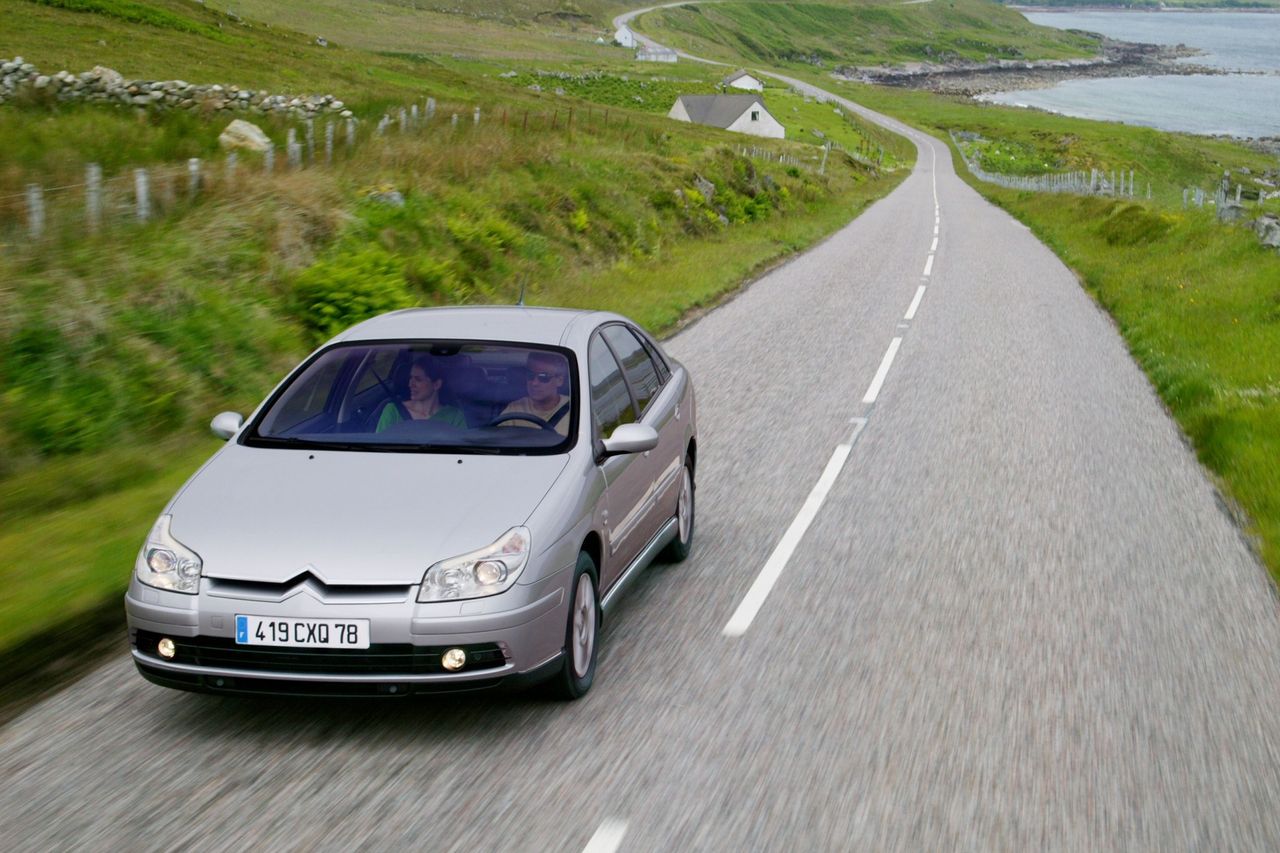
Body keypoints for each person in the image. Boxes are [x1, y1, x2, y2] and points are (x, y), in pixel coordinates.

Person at [376, 356, 466, 432]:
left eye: (418, 379)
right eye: (410, 378)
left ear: (436, 384)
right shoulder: (393, 411)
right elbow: (377, 449)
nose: (410, 384)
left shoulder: (455, 417)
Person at [499, 351, 571, 436]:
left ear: (559, 380)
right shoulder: (515, 408)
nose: (534, 383)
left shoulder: (574, 408)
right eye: (530, 375)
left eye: (543, 377)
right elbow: (497, 437)